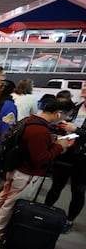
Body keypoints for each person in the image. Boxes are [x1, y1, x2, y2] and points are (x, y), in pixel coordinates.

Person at [0, 99, 75, 243]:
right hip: (27, 173)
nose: (65, 119)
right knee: (11, 204)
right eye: (66, 115)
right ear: (58, 113)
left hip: (15, 168)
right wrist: (60, 146)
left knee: (4, 197)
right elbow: (41, 158)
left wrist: (51, 140)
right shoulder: (40, 130)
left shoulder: (30, 121)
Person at [44, 99, 86, 233]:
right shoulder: (75, 106)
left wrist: (77, 130)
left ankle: (69, 220)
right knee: (56, 185)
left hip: (83, 159)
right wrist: (62, 129)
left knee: (78, 191)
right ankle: (45, 210)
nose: (84, 88)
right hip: (65, 153)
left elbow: (77, 130)